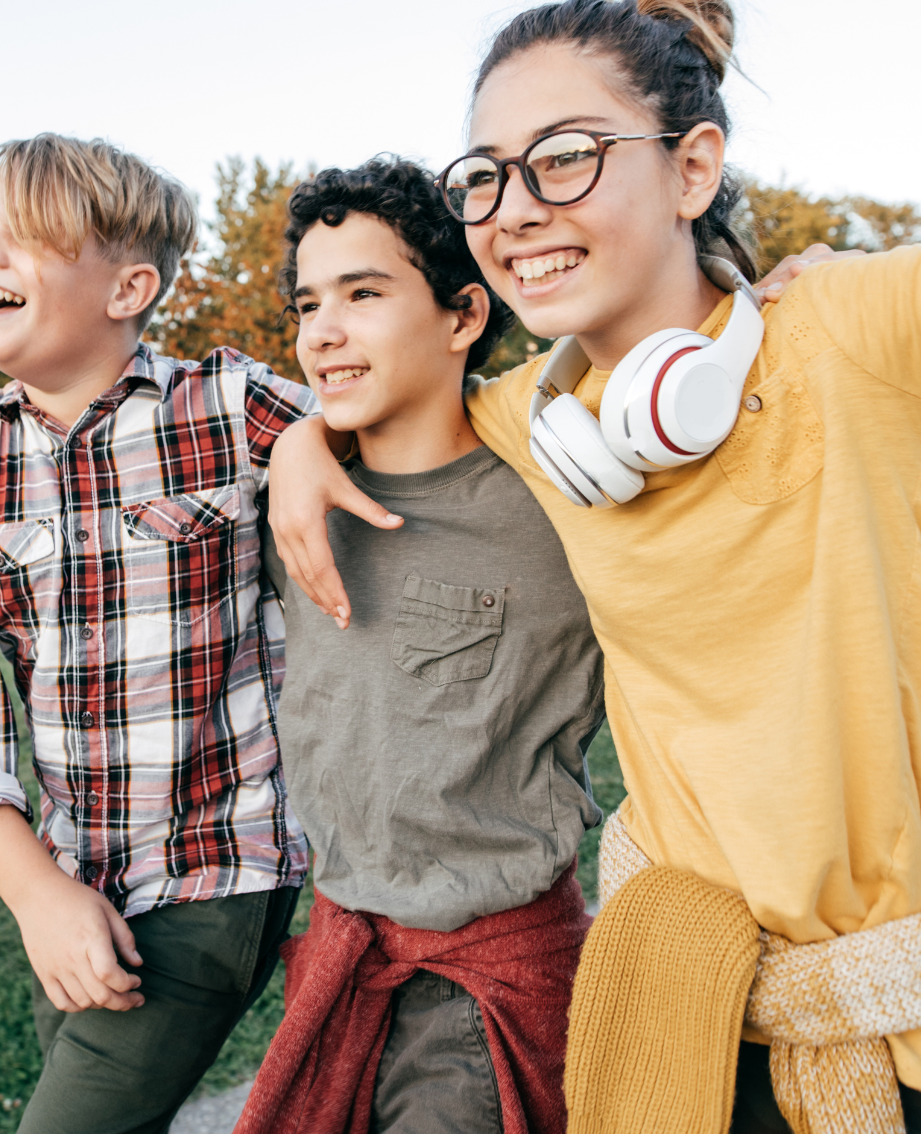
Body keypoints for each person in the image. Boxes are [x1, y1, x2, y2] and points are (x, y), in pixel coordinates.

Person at [268, 0, 921, 1133]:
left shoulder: (860, 326)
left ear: (693, 168)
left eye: (567, 158)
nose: (515, 210)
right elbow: (374, 380)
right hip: (691, 1013)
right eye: (485, 177)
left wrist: (866, 274)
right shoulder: (531, 425)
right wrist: (304, 434)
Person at [0, 134, 317, 1134]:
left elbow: (400, 417)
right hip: (69, 880)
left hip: (222, 867)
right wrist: (38, 898)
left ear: (128, 287)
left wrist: (306, 443)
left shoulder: (226, 403)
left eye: (25, 236)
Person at [234, 159, 604, 1134]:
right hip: (349, 953)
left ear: (462, 316)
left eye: (364, 293)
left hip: (481, 986)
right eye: (310, 301)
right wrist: (293, 448)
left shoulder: (557, 498)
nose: (322, 329)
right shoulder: (290, 499)